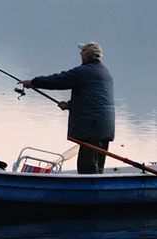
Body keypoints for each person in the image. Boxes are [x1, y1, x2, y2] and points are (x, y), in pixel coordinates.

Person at [18, 41, 115, 174]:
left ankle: (88, 193)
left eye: (82, 51)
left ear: (86, 55)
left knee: (87, 168)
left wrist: (33, 82)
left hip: (91, 127)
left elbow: (58, 80)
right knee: (97, 166)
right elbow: (95, 100)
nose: (80, 54)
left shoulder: (83, 72)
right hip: (104, 126)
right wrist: (71, 105)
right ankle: (98, 192)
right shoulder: (104, 71)